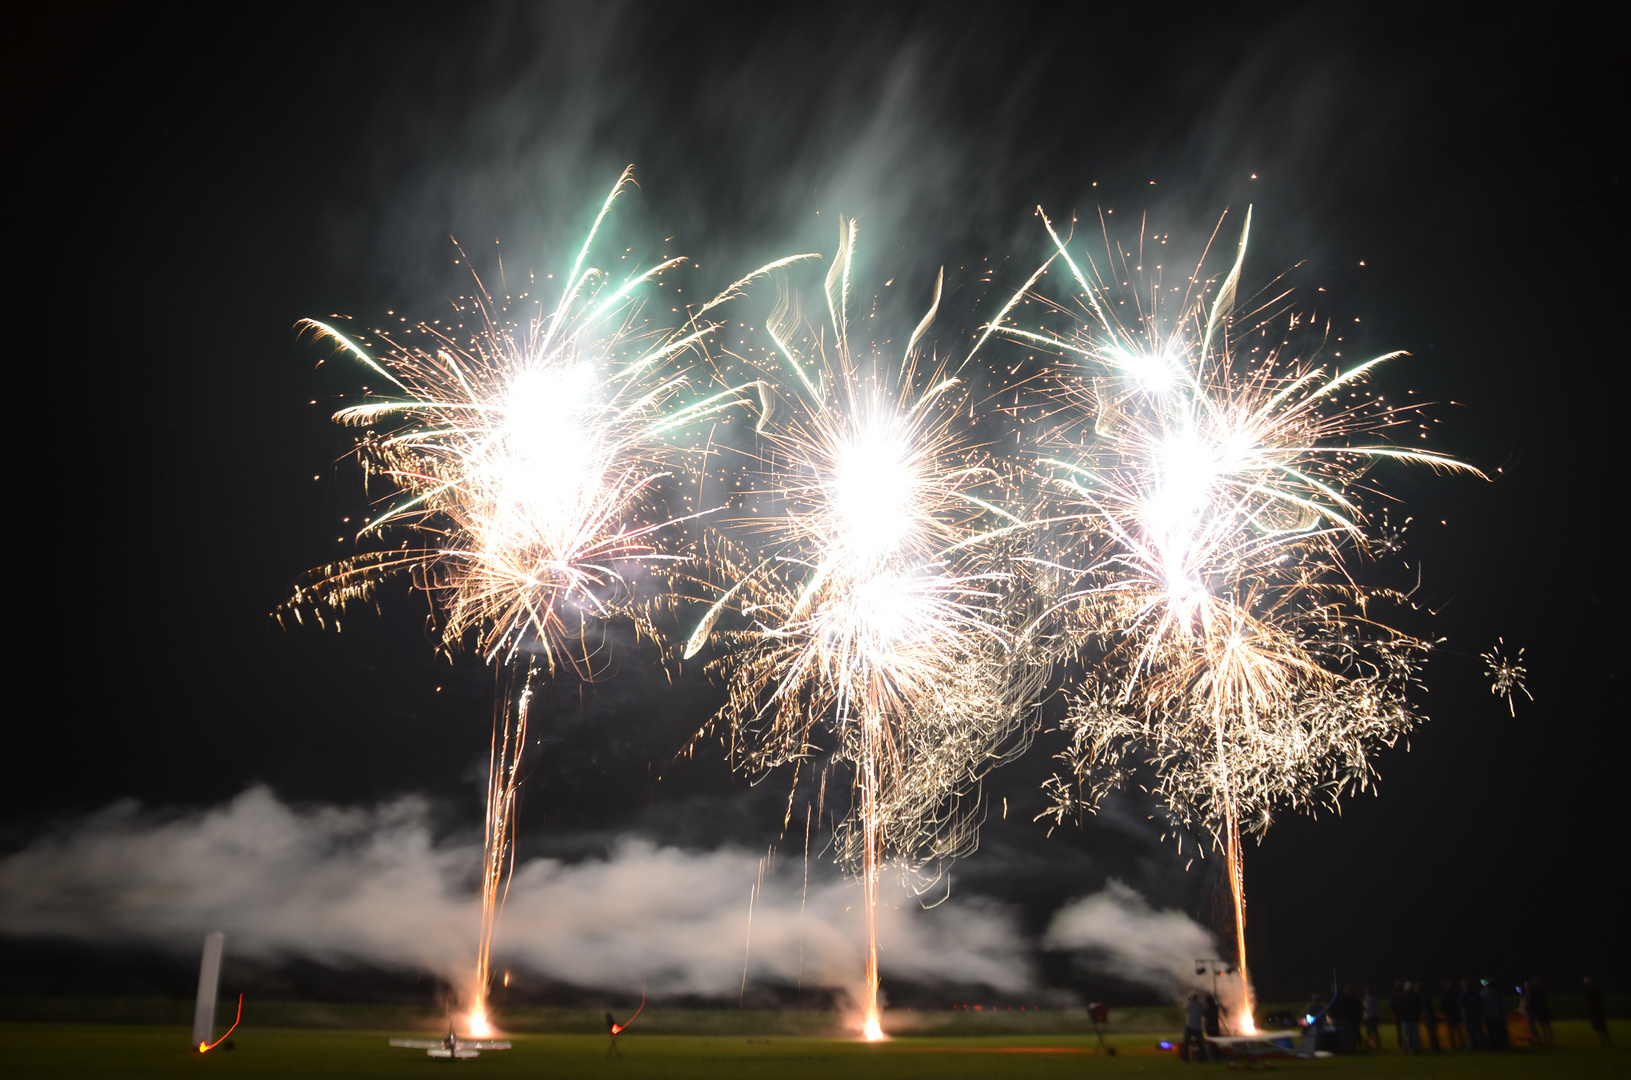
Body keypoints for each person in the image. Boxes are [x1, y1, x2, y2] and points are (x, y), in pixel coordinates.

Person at [1481, 979, 1509, 1051]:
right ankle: (1503, 1046)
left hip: (1488, 1016)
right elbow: (1503, 1007)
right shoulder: (1500, 995)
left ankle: (1493, 1046)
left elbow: (1481, 1005)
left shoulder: (1484, 994)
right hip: (1498, 1016)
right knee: (1500, 1032)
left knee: (1491, 1033)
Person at [1459, 978, 1486, 1051]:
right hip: (1477, 1015)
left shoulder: (1463, 994)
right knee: (1479, 1032)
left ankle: (1472, 1047)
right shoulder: (1476, 993)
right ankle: (1481, 1046)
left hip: (1468, 1016)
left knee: (1471, 1033)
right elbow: (1481, 1003)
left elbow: (1460, 1003)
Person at [1584, 977, 1610, 1047]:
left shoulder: (1594, 991)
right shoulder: (1589, 992)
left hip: (1596, 1011)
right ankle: (1603, 1042)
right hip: (1594, 1011)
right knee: (1599, 1028)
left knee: (1601, 1028)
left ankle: (1606, 1042)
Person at [1527, 978, 1553, 1047]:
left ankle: (1548, 1041)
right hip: (1542, 1010)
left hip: (1541, 1010)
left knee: (1545, 1027)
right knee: (1546, 1026)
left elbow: (1534, 1002)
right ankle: (1549, 1041)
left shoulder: (1537, 992)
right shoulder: (1541, 991)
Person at [1398, 982, 1423, 1052]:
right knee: (1415, 1035)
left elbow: (1400, 1007)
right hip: (1415, 1018)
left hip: (1406, 1018)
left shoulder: (1403, 997)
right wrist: (1418, 1014)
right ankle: (1416, 1048)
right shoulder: (1416, 996)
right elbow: (1420, 1007)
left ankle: (1406, 1048)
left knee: (1406, 1034)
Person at [1182, 991, 1206, 1062]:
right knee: (1199, 1043)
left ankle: (1185, 1058)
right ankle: (1201, 1057)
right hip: (1198, 1027)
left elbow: (1184, 1008)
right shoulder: (1200, 1005)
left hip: (1190, 1026)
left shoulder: (1190, 1004)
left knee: (1186, 1043)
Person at [1440, 980, 1464, 1049]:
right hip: (1452, 1013)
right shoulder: (1453, 993)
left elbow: (1443, 1004)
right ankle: (1456, 1044)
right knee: (1455, 1030)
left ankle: (1457, 1044)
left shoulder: (1450, 993)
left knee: (1455, 1030)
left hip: (1452, 1013)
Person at [1419, 980, 1440, 1052]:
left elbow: (1424, 1007)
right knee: (1433, 1032)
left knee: (1431, 1032)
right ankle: (1436, 1046)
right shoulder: (1426, 996)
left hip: (1428, 1016)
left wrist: (1422, 1013)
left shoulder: (1422, 997)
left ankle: (1434, 1047)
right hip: (1431, 1015)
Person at [1202, 993, 1222, 1061]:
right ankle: (1217, 1055)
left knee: (1212, 1043)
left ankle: (1213, 1056)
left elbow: (1203, 1013)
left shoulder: (1208, 1008)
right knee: (1216, 1042)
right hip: (1215, 1026)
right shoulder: (1215, 1007)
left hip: (1210, 1026)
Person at [1362, 986, 1381, 1052]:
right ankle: (1377, 1044)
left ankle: (1370, 1046)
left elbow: (1366, 1007)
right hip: (1374, 1016)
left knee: (1368, 1032)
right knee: (1375, 1031)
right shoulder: (1375, 998)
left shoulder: (1367, 998)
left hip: (1369, 1016)